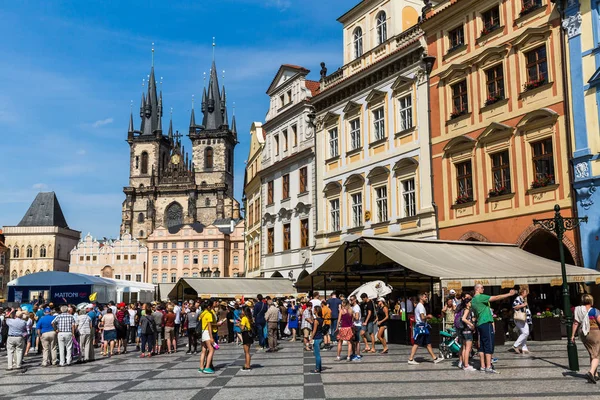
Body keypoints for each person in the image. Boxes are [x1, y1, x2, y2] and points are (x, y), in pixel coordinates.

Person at [471, 284, 516, 373]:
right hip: (486, 322)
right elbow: (496, 297)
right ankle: (488, 366)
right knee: (488, 344)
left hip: (479, 323)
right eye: (482, 288)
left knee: (482, 346)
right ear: (477, 289)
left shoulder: (473, 300)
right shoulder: (480, 297)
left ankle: (483, 366)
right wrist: (509, 294)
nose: (483, 289)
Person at [408, 293, 444, 365]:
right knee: (417, 343)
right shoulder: (420, 306)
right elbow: (422, 317)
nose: (426, 298)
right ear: (421, 298)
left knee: (428, 343)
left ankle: (435, 358)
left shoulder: (420, 306)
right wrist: (428, 316)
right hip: (421, 327)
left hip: (423, 327)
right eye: (425, 297)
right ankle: (410, 359)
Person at [572, 293, 600, 383]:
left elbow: (575, 323)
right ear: (591, 301)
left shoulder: (578, 310)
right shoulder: (594, 311)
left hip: (583, 334)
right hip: (594, 333)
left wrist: (572, 335)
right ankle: (591, 372)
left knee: (592, 353)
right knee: (596, 354)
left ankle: (595, 375)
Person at [512, 287, 532, 354]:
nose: (527, 294)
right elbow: (514, 306)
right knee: (526, 333)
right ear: (522, 292)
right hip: (519, 318)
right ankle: (515, 345)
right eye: (526, 292)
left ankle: (524, 348)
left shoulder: (523, 299)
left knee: (525, 333)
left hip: (523, 319)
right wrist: (523, 305)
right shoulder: (518, 298)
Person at [458, 297, 476, 371]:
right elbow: (463, 319)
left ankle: (464, 363)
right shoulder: (467, 310)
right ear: (467, 303)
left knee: (464, 348)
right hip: (468, 331)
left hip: (463, 331)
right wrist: (471, 324)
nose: (471, 304)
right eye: (470, 302)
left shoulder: (463, 310)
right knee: (468, 348)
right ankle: (466, 365)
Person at [199, 301, 215, 374]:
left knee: (203, 350)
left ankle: (201, 367)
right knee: (211, 350)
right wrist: (211, 337)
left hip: (202, 332)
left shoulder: (202, 314)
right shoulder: (208, 314)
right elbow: (209, 326)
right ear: (209, 307)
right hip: (206, 333)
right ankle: (207, 367)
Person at [309, 305, 324, 373]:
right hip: (320, 337)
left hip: (316, 338)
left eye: (314, 309)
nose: (313, 310)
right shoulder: (321, 319)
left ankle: (317, 368)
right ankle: (319, 367)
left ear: (316, 311)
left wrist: (311, 338)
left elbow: (314, 330)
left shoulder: (316, 321)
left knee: (317, 354)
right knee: (317, 353)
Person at [239, 305, 254, 370]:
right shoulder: (249, 317)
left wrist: (239, 324)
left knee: (246, 352)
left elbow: (242, 328)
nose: (241, 311)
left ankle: (247, 365)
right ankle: (246, 364)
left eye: (242, 310)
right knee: (247, 351)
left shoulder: (244, 318)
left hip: (245, 335)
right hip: (249, 334)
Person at [349, 295, 362, 361]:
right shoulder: (353, 307)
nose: (350, 301)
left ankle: (358, 355)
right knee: (353, 341)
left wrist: (352, 314)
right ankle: (354, 353)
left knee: (357, 341)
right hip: (354, 325)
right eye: (350, 300)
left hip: (357, 325)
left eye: (351, 300)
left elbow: (357, 318)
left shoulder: (356, 307)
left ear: (355, 300)